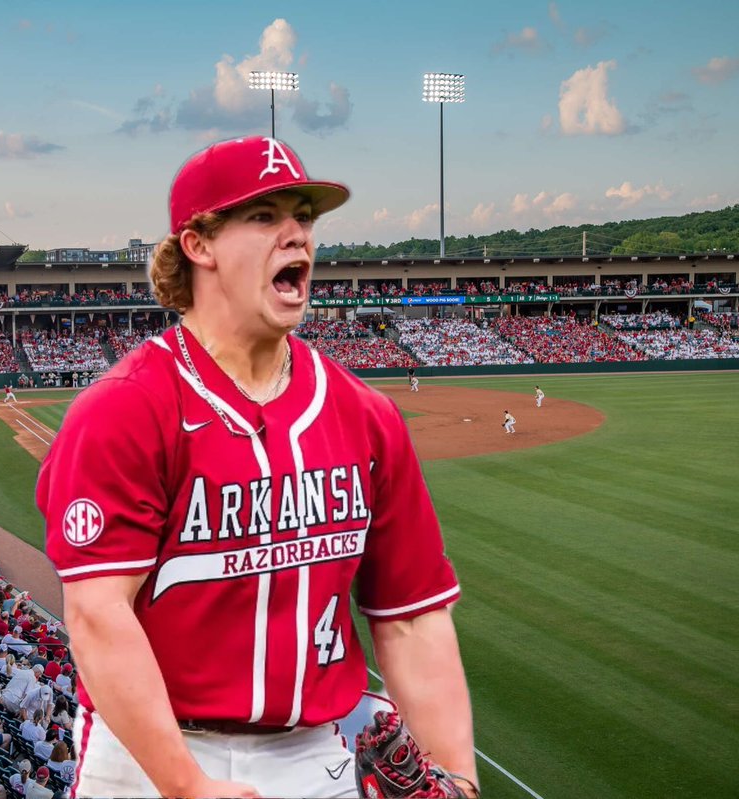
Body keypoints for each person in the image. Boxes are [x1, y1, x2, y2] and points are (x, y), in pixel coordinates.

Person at [36, 136, 477, 799]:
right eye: (266, 216)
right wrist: (184, 783)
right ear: (200, 244)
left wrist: (457, 779)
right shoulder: (126, 408)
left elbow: (411, 617)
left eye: (304, 215)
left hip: (315, 756)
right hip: (149, 753)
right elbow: (98, 612)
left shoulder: (366, 415)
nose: (297, 233)